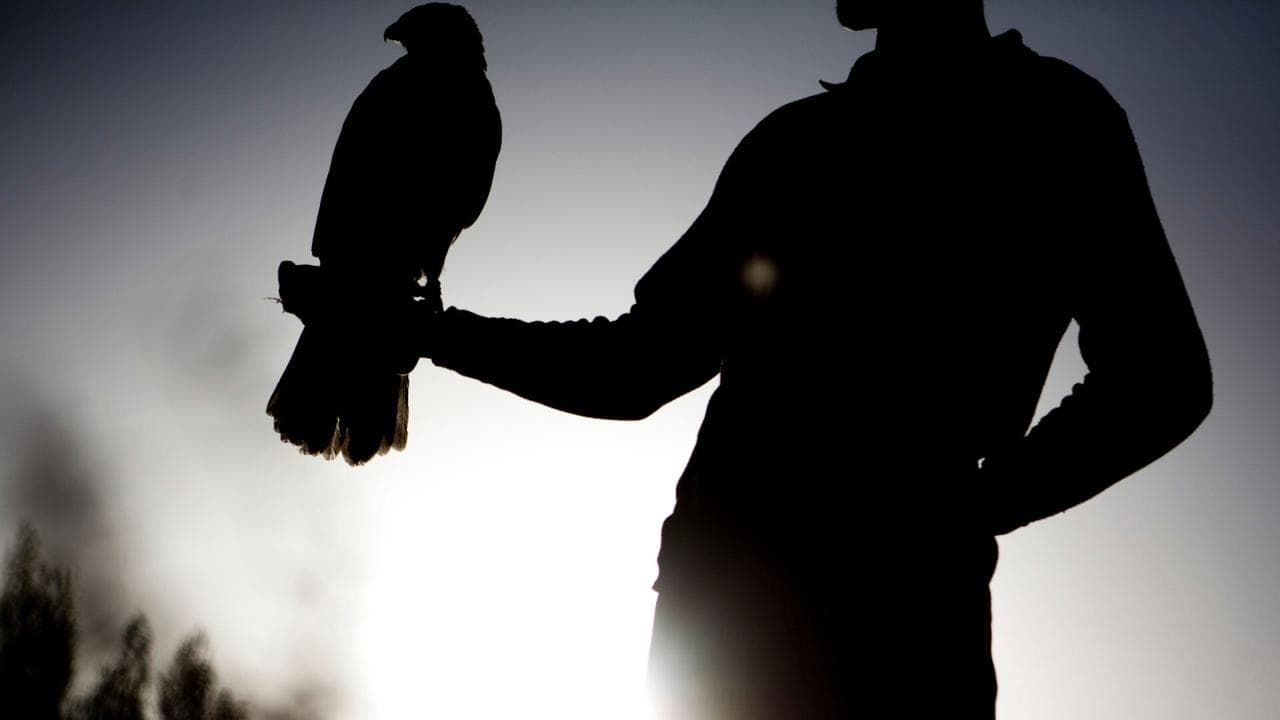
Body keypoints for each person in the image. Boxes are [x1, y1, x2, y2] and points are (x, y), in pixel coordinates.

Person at [280, 1, 1213, 716]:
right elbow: (639, 366)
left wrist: (966, 508)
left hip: (843, 631)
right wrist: (429, 333)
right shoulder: (813, 143)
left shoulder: (1032, 125)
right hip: (760, 621)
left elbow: (1163, 379)